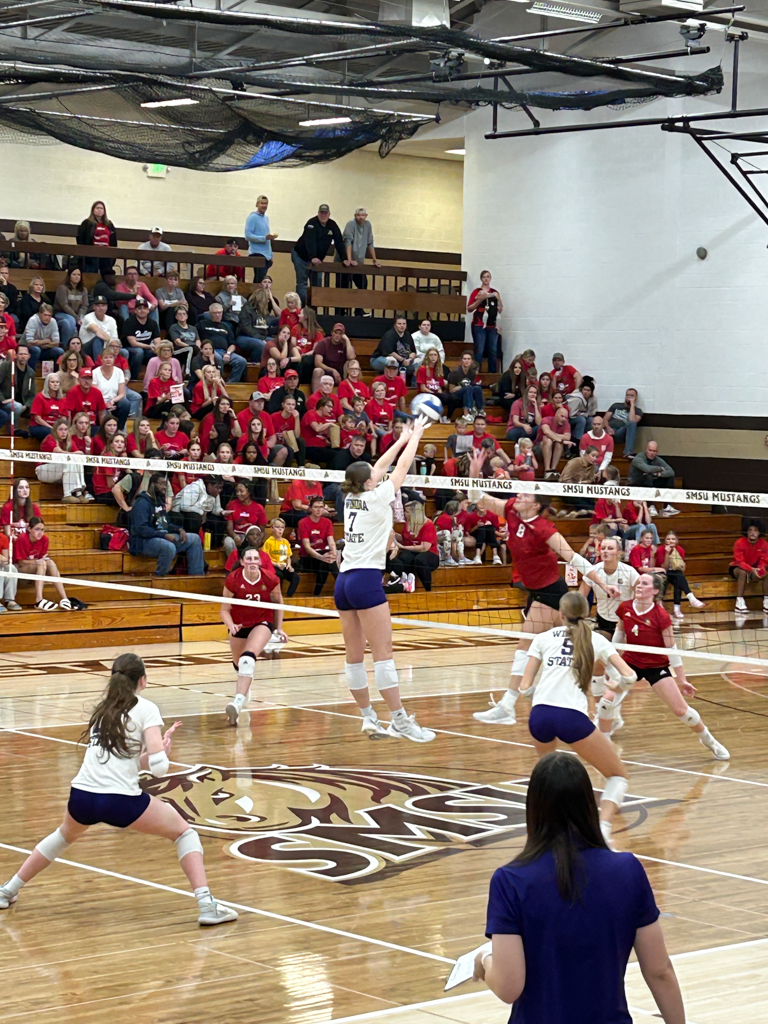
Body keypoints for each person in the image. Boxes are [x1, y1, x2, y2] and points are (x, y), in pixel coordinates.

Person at [0, 653, 237, 925]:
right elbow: (159, 769)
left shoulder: (103, 709)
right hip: (119, 801)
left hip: (82, 797)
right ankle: (207, 905)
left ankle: (8, 890)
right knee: (185, 834)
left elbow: (125, 763)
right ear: (143, 681)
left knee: (63, 836)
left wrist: (154, 754)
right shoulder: (146, 708)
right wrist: (161, 752)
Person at [475, 752, 685, 1024]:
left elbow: (508, 986)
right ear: (588, 804)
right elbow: (660, 971)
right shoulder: (628, 870)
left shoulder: (510, 881)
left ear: (534, 807)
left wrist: (484, 959)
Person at [468, 448, 619, 726]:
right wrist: (475, 471)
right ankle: (602, 706)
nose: (519, 496)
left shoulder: (545, 529)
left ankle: (511, 703)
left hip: (553, 593)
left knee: (531, 645)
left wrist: (602, 584)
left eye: (526, 495)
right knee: (571, 651)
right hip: (535, 590)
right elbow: (478, 498)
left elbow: (573, 558)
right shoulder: (513, 509)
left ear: (536, 505)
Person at [334, 417, 435, 741]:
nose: (376, 477)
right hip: (365, 581)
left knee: (353, 658)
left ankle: (367, 717)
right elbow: (399, 470)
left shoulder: (350, 497)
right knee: (383, 654)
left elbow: (377, 467)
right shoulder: (377, 499)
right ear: (367, 483)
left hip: (344, 582)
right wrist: (415, 437)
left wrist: (400, 437)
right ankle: (399, 720)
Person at [519, 591, 636, 841]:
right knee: (617, 776)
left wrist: (535, 698)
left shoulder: (542, 638)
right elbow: (629, 676)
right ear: (588, 612)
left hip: (540, 716)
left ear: (560, 614)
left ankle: (546, 831)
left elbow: (525, 686)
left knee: (547, 777)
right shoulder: (597, 640)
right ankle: (603, 832)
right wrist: (616, 687)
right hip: (571, 718)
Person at [605, 574, 730, 760]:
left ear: (655, 591)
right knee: (607, 700)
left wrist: (683, 680)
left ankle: (708, 740)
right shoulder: (625, 607)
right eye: (638, 582)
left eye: (644, 583)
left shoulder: (661, 615)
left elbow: (671, 649)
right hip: (631, 662)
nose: (639, 586)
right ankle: (604, 738)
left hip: (656, 665)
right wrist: (613, 663)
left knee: (682, 711)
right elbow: (619, 635)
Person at [221, 547, 287, 725]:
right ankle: (245, 689)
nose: (252, 561)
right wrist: (231, 625)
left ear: (260, 562)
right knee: (238, 664)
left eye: (255, 558)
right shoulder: (233, 579)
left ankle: (237, 702)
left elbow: (279, 604)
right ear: (242, 562)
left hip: (262, 622)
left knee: (247, 659)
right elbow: (224, 610)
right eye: (248, 558)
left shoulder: (271, 579)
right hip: (239, 624)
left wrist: (279, 628)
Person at [128, 474, 205, 577]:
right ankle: (159, 578)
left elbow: (164, 524)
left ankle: (197, 576)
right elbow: (141, 530)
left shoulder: (159, 501)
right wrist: (163, 535)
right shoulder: (141, 503)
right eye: (162, 484)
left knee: (194, 539)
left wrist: (179, 530)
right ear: (152, 484)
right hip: (143, 542)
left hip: (160, 537)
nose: (165, 488)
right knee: (168, 547)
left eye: (166, 485)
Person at [12, 517, 79, 611]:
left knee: (50, 562)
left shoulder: (44, 539)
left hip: (35, 567)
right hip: (18, 569)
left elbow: (43, 557)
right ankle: (39, 599)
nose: (40, 532)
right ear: (29, 529)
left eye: (42, 529)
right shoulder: (22, 539)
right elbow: (21, 562)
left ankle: (64, 598)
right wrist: (37, 561)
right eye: (37, 529)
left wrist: (40, 561)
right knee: (41, 563)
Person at [292, 203, 347, 306]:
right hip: (301, 256)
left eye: (325, 213)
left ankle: (313, 310)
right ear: (318, 213)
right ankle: (302, 308)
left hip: (317, 260)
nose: (323, 215)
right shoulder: (311, 223)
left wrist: (345, 258)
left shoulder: (332, 225)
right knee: (302, 283)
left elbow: (339, 242)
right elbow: (310, 241)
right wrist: (313, 257)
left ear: (329, 214)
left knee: (317, 283)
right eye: (321, 213)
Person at [36, 417, 92, 503]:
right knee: (68, 461)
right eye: (61, 429)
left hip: (59, 470)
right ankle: (67, 495)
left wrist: (73, 454)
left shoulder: (69, 440)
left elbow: (80, 453)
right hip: (43, 470)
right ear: (55, 430)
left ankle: (79, 493)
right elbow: (59, 452)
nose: (63, 432)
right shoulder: (50, 438)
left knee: (76, 460)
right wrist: (72, 454)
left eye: (66, 429)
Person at [389, 500, 440, 591]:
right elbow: (405, 539)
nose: (405, 514)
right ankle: (405, 584)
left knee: (420, 560)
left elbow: (424, 547)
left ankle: (428, 590)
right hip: (414, 552)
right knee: (403, 557)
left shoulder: (428, 525)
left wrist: (403, 547)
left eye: (407, 512)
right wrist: (393, 533)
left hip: (430, 554)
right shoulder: (408, 523)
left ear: (414, 513)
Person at [655, 530, 705, 619]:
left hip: (675, 573)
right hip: (662, 572)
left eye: (673, 539)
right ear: (665, 541)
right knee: (679, 576)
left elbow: (679, 566)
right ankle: (690, 598)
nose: (670, 541)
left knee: (679, 578)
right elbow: (664, 567)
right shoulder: (661, 550)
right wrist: (667, 553)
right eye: (668, 539)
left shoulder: (680, 550)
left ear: (677, 541)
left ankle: (677, 609)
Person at [340, 207, 379, 314]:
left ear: (366, 216)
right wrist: (349, 259)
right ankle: (341, 311)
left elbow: (370, 242)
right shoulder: (351, 224)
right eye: (358, 215)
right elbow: (348, 242)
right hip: (346, 262)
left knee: (363, 285)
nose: (361, 217)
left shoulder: (368, 225)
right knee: (344, 287)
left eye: (363, 215)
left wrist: (374, 260)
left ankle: (359, 310)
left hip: (359, 262)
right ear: (355, 215)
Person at [298, 495, 338, 596]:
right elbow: (307, 547)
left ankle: (317, 594)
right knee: (325, 561)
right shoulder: (303, 522)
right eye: (315, 507)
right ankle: (340, 590)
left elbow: (331, 541)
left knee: (328, 561)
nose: (318, 510)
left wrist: (334, 554)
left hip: (323, 556)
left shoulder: (327, 522)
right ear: (310, 508)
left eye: (321, 507)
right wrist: (321, 557)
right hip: (308, 557)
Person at [198, 303, 247, 383]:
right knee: (218, 359)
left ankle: (231, 384)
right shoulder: (202, 324)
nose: (217, 315)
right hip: (211, 351)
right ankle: (217, 383)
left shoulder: (226, 326)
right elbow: (197, 338)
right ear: (210, 313)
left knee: (241, 361)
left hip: (224, 351)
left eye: (219, 312)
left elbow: (232, 344)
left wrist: (228, 353)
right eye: (215, 313)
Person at [628, 442, 679, 516]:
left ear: (657, 452)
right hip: (635, 483)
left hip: (649, 482)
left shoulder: (657, 460)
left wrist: (659, 474)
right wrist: (660, 468)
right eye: (650, 450)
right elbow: (647, 469)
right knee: (648, 475)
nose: (652, 453)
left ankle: (667, 506)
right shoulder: (638, 458)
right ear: (646, 450)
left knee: (669, 478)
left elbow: (671, 472)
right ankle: (650, 506)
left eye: (654, 451)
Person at [93, 348, 140, 429]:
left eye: (111, 357)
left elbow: (122, 393)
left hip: (113, 401)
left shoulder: (119, 372)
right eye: (106, 357)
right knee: (102, 411)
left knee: (125, 403)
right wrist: (105, 404)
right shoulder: (95, 372)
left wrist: (113, 401)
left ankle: (119, 430)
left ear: (114, 359)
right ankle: (103, 432)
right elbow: (95, 393)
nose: (108, 360)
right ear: (101, 359)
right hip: (100, 402)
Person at [467, 269, 502, 373]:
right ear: (481, 279)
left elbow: (500, 309)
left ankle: (492, 375)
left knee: (493, 350)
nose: (486, 279)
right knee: (479, 350)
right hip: (479, 324)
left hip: (491, 325)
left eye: (488, 277)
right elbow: (469, 308)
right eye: (484, 277)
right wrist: (480, 299)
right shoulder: (477, 292)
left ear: (490, 278)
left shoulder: (494, 292)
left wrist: (498, 298)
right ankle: (476, 373)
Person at [731, 520, 768, 614]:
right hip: (737, 567)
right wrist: (751, 569)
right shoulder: (739, 542)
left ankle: (766, 601)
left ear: (760, 532)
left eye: (755, 530)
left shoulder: (764, 544)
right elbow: (739, 561)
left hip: (755, 568)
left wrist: (759, 570)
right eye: (750, 530)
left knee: (766, 573)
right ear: (746, 532)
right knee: (742, 572)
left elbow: (764, 561)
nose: (752, 533)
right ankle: (739, 602)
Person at [223, 481, 267, 557]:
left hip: (251, 536)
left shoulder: (259, 508)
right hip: (236, 535)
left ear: (249, 492)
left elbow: (262, 530)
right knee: (228, 543)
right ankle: (234, 565)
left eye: (241, 491)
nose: (238, 494)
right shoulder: (231, 505)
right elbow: (229, 527)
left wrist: (258, 541)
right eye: (237, 491)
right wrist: (235, 537)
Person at [121, 296, 161, 380]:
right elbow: (133, 343)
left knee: (157, 352)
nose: (142, 310)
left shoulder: (153, 323)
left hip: (146, 348)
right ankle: (134, 378)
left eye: (145, 308)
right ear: (135, 311)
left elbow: (157, 339)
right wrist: (149, 346)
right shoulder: (129, 322)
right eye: (139, 308)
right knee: (139, 352)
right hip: (130, 349)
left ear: (148, 310)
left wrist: (157, 347)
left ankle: (154, 378)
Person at [370, 316, 417, 382]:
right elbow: (390, 353)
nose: (402, 326)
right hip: (379, 359)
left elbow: (413, 351)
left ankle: (413, 386)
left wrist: (410, 359)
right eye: (399, 324)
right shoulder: (389, 335)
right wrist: (403, 360)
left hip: (403, 360)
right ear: (395, 325)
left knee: (418, 363)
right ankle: (391, 383)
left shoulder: (407, 335)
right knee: (392, 362)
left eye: (404, 324)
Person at [262, 517, 301, 597]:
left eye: (282, 527)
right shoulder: (269, 542)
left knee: (296, 577)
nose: (280, 530)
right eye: (277, 527)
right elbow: (265, 559)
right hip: (273, 566)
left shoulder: (285, 542)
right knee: (278, 575)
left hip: (284, 566)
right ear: (272, 528)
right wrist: (276, 565)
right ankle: (277, 597)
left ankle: (289, 596)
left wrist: (289, 565)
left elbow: (288, 556)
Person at [312, 323, 355, 392]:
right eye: (336, 332)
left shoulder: (345, 344)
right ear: (332, 333)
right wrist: (332, 370)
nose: (337, 335)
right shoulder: (324, 343)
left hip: (341, 372)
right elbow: (317, 363)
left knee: (352, 363)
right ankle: (317, 398)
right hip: (327, 371)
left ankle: (351, 394)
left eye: (340, 333)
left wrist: (347, 340)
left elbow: (351, 357)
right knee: (317, 371)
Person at [76, 200, 117, 274]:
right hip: (91, 255)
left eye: (101, 208)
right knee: (91, 275)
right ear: (93, 210)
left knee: (106, 276)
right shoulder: (87, 223)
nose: (99, 210)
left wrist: (113, 256)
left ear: (104, 211)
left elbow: (113, 240)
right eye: (97, 208)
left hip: (106, 254)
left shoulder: (109, 224)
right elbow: (80, 238)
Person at [244, 195, 277, 282]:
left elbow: (267, 239)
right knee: (260, 280)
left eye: (266, 203)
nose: (264, 205)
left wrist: (270, 255)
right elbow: (248, 235)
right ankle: (257, 295)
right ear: (257, 204)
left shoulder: (266, 218)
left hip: (266, 255)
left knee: (261, 280)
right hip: (257, 253)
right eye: (262, 203)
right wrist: (264, 238)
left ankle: (259, 294)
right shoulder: (252, 217)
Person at [53, 267, 89, 347]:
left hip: (77, 315)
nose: (77, 276)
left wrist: (80, 316)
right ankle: (68, 347)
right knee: (70, 321)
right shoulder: (63, 288)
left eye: (79, 275)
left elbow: (84, 305)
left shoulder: (83, 290)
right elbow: (64, 305)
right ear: (69, 276)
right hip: (61, 313)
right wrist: (76, 318)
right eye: (74, 274)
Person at [535, 406, 573, 479]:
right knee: (547, 439)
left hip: (553, 450)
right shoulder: (546, 420)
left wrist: (555, 437)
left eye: (565, 417)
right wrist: (561, 440)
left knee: (557, 443)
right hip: (539, 448)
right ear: (556, 414)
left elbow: (567, 437)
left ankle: (553, 469)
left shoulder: (566, 424)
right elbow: (546, 432)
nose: (563, 419)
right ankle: (547, 470)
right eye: (562, 416)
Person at [607, 387, 643, 457]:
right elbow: (604, 419)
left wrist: (632, 405)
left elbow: (632, 421)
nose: (629, 397)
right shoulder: (616, 405)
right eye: (627, 395)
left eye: (632, 396)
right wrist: (608, 428)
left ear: (636, 398)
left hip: (621, 433)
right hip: (608, 430)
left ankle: (628, 452)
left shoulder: (638, 411)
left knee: (632, 423)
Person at [446, 352, 484, 417]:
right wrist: (462, 387)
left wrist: (461, 386)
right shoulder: (455, 372)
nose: (467, 361)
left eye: (469, 359)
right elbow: (451, 390)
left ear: (472, 361)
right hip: (455, 394)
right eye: (465, 359)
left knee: (477, 388)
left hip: (467, 392)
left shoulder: (472, 373)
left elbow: (471, 385)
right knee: (468, 388)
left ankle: (480, 410)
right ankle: (466, 413)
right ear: (461, 361)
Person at [579, 412, 613, 477]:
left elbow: (607, 458)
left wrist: (601, 470)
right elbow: (583, 455)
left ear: (603, 425)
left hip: (602, 465)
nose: (596, 426)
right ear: (591, 425)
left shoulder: (609, 439)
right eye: (594, 424)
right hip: (588, 464)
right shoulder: (585, 437)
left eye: (598, 424)